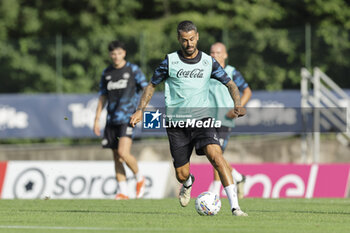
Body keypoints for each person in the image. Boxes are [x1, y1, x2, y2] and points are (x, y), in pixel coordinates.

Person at [130, 21, 248, 216]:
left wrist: (237, 104)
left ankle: (235, 207)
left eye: (192, 39)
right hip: (177, 124)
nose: (189, 43)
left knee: (217, 157)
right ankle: (188, 182)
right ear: (179, 39)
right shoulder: (170, 61)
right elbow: (151, 86)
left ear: (197, 37)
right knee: (181, 173)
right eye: (184, 40)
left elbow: (231, 84)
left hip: (203, 119)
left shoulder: (208, 62)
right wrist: (140, 110)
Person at [93, 40, 147, 200]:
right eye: (113, 54)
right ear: (110, 55)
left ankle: (139, 178)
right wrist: (96, 119)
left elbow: (146, 89)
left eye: (119, 53)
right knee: (116, 156)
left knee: (123, 153)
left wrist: (141, 110)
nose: (116, 56)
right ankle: (123, 191)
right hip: (111, 120)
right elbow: (102, 96)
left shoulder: (133, 70)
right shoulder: (107, 73)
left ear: (124, 53)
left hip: (128, 118)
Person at [208, 42, 252, 199]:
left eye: (218, 52)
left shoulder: (232, 72)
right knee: (212, 153)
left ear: (225, 55)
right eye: (212, 52)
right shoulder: (205, 71)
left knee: (216, 154)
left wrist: (237, 108)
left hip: (225, 119)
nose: (214, 55)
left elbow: (247, 91)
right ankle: (239, 177)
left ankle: (214, 191)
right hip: (208, 119)